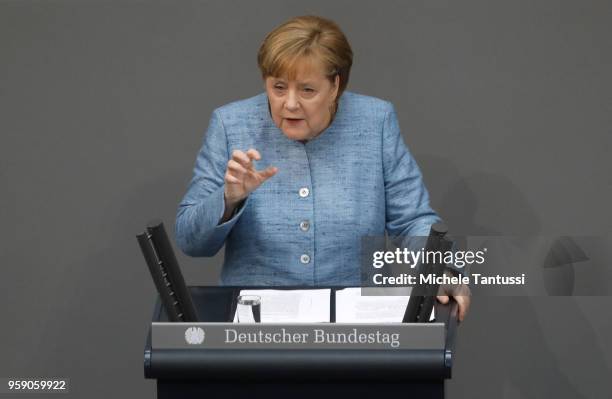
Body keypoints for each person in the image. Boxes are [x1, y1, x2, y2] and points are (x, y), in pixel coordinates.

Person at [175, 15, 470, 321]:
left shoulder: (375, 122)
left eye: (307, 91)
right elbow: (190, 241)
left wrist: (442, 269)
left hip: (357, 326)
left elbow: (412, 220)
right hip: (257, 330)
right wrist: (228, 198)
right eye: (278, 87)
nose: (289, 103)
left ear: (335, 86)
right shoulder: (230, 125)